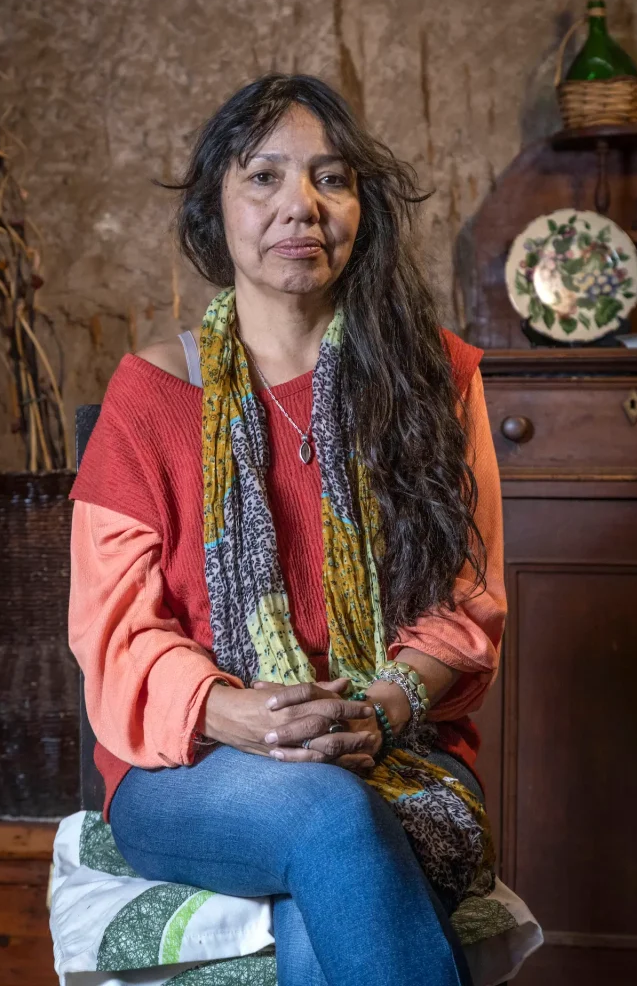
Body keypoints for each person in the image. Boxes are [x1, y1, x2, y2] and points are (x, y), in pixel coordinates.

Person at [68, 73, 506, 986]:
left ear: (361, 207)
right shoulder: (149, 395)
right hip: (189, 768)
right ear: (213, 211)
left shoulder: (435, 381)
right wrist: (242, 714)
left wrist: (376, 710)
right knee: (328, 817)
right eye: (262, 177)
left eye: (331, 178)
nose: (299, 206)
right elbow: (115, 634)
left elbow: (466, 606)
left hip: (397, 750)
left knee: (330, 888)